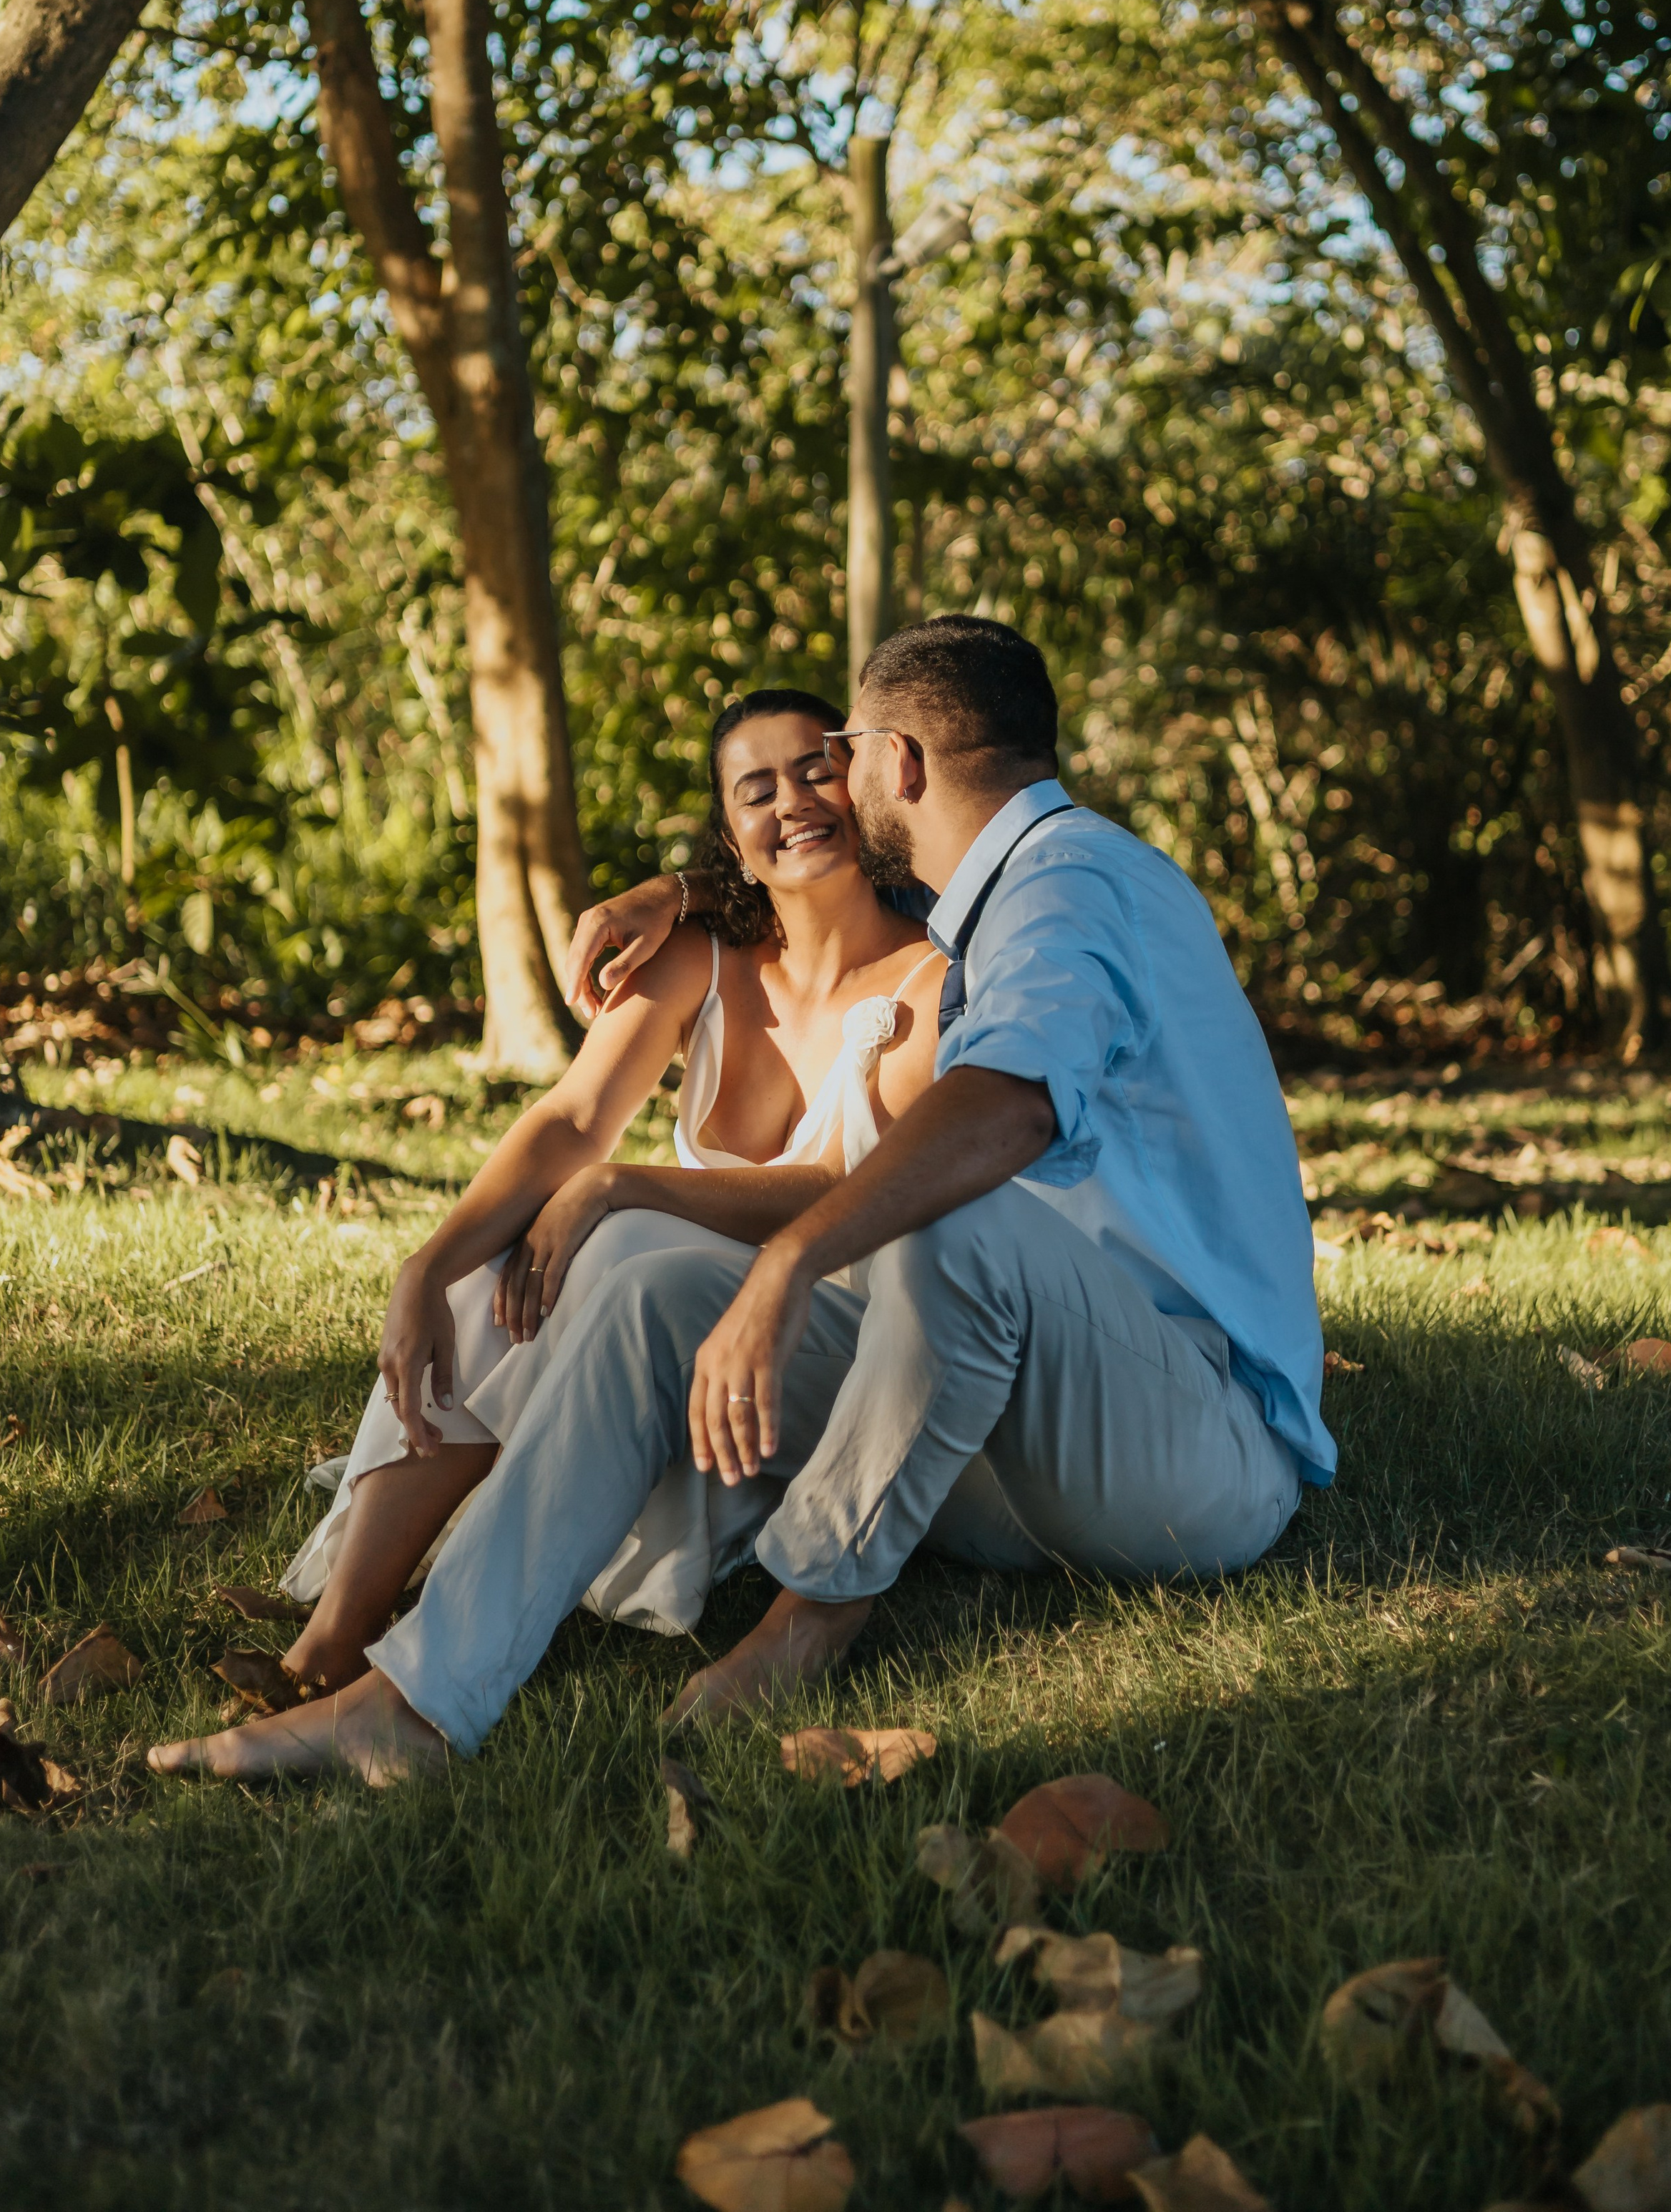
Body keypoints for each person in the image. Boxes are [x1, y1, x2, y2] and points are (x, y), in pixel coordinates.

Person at [155, 617, 1335, 1785]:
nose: (832, 776)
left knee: (953, 1217)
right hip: (1008, 1437)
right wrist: (681, 886)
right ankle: (416, 1701)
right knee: (656, 1292)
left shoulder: (1068, 887)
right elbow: (790, 886)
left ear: (899, 765)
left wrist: (791, 1261)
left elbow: (1007, 1108)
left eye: (846, 750)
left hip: (1189, 1451)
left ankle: (805, 1625)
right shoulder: (1002, 894)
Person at [148, 686, 946, 1776]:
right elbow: (573, 1117)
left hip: (803, 1348)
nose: (795, 803)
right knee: (501, 1266)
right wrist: (427, 1265)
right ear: (729, 838)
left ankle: (409, 1685)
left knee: (606, 1242)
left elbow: (831, 1185)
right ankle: (333, 1645)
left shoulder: (927, 979)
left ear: (860, 781)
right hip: (643, 1329)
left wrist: (621, 1187)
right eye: (756, 790)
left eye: (816, 771)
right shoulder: (698, 952)